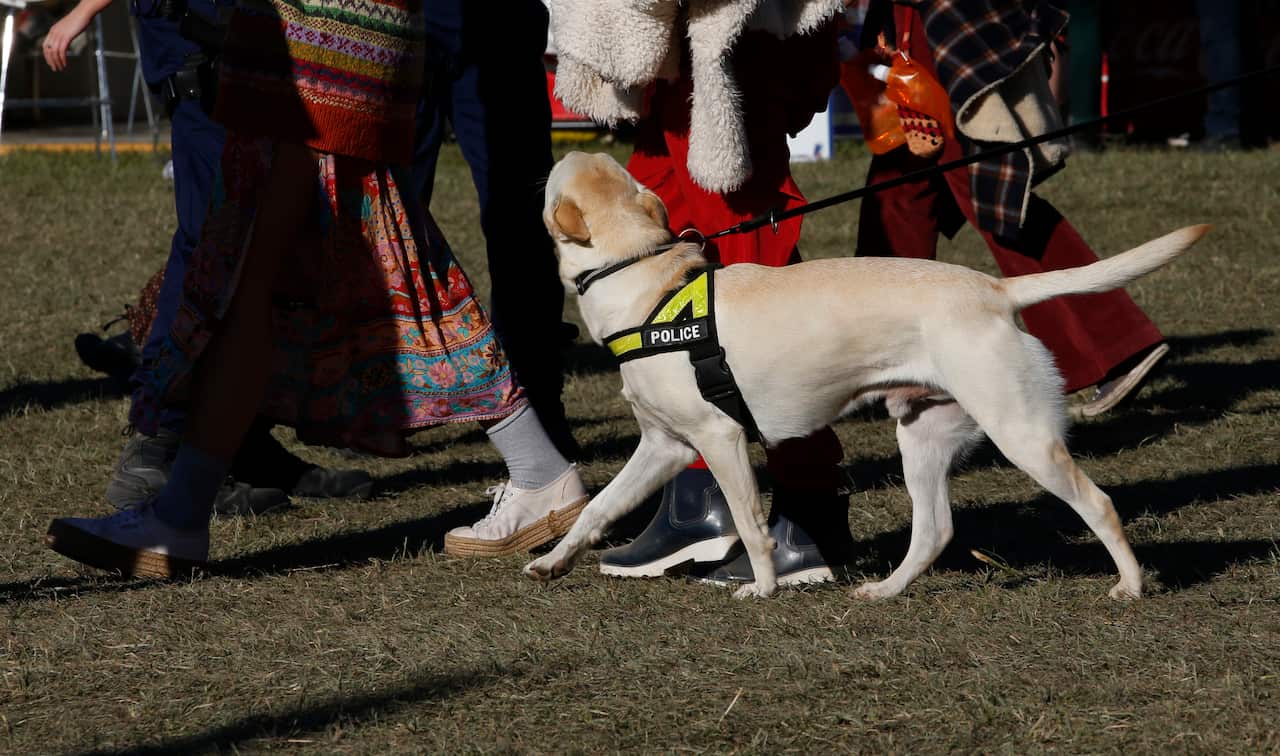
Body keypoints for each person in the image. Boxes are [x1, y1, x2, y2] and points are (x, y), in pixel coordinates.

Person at [45, 0, 587, 576]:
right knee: (260, 277)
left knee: (325, 265)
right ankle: (179, 513)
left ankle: (540, 472)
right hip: (300, 39)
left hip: (322, 42)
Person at [551, 0, 857, 586]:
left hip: (732, 35)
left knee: (751, 261)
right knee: (667, 226)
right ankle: (698, 497)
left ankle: (808, 510)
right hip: (672, 45)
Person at [43, 0, 373, 514]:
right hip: (202, 50)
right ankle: (158, 448)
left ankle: (241, 441)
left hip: (246, 45)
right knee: (211, 254)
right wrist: (82, 11)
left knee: (263, 250)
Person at [855, 0, 1169, 417]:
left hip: (940, 16)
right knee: (900, 186)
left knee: (989, 187)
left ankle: (1115, 344)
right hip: (912, 16)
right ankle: (889, 364)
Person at [410, 0, 579, 459]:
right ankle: (379, 396)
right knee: (388, 214)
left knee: (522, 220)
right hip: (399, 22)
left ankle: (538, 398)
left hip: (497, 22)